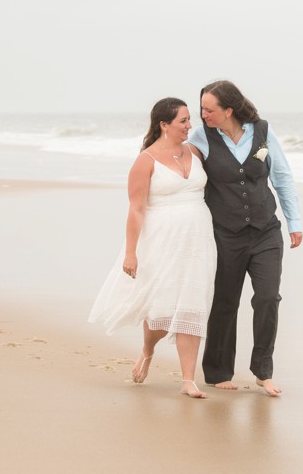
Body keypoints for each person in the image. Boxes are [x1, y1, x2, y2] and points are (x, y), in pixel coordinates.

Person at [88, 98, 217, 399]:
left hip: (199, 239)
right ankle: (148, 349)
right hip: (161, 240)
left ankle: (188, 380)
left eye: (189, 120)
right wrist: (131, 252)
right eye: (183, 121)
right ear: (164, 124)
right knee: (161, 307)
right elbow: (136, 209)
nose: (189, 126)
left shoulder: (195, 152)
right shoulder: (145, 161)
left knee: (192, 304)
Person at [188, 80, 303, 397]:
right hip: (225, 233)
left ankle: (263, 371)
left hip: (266, 231)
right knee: (225, 301)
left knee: (267, 298)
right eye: (201, 109)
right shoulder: (201, 137)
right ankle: (217, 371)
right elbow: (181, 168)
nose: (203, 114)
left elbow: (282, 175)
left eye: (209, 109)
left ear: (229, 110)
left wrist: (294, 221)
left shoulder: (262, 132)